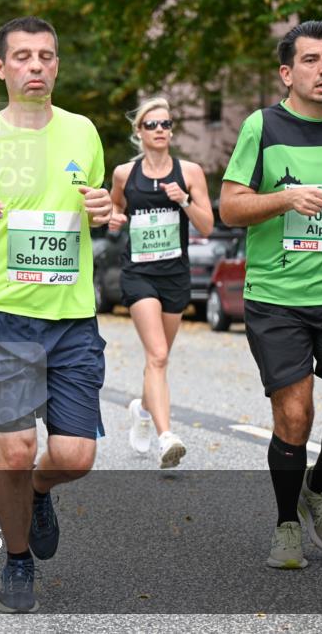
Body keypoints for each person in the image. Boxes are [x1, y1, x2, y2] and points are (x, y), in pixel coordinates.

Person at [0, 16, 112, 613]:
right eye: (24, 57)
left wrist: (105, 209)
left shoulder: (84, 133)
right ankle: (16, 560)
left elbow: (96, 209)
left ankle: (38, 491)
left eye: (47, 56)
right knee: (12, 450)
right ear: (1, 68)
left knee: (74, 458)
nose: (37, 66)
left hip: (72, 316)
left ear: (57, 65)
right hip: (2, 316)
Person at [219, 20, 322, 570]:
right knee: (294, 418)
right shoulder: (261, 127)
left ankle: (320, 486)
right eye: (312, 61)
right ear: (287, 73)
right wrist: (285, 199)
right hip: (278, 297)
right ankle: (287, 521)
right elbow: (230, 206)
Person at [108, 97, 213, 468]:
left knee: (158, 358)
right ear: (139, 132)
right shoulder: (125, 173)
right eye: (152, 125)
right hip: (138, 275)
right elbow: (115, 206)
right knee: (158, 355)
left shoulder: (190, 172)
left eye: (166, 124)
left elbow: (207, 225)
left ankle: (141, 409)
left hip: (174, 275)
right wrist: (115, 219)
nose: (160, 130)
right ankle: (166, 436)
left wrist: (183, 199)